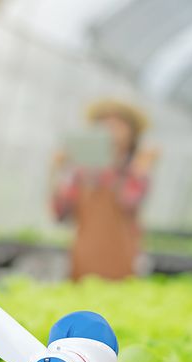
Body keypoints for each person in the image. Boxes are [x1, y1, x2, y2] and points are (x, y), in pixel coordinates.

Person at [51, 99, 158, 281]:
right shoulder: (80, 172)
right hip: (83, 256)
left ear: (132, 135)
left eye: (118, 126)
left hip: (123, 258)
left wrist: (141, 171)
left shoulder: (134, 170)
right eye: (105, 126)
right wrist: (57, 171)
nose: (111, 132)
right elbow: (60, 213)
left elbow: (129, 202)